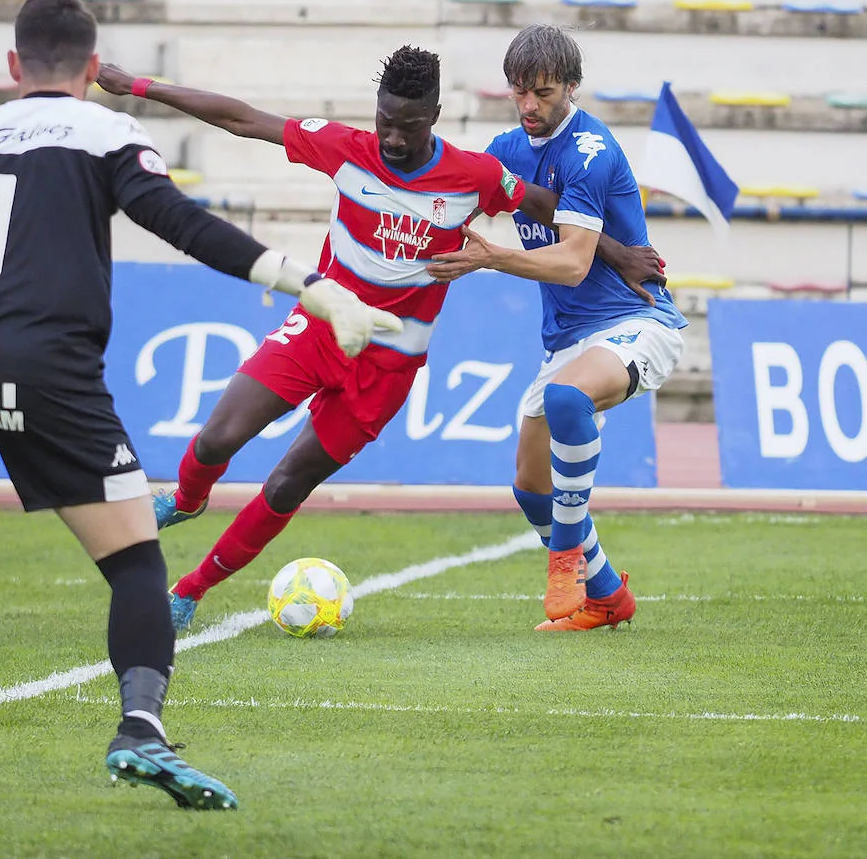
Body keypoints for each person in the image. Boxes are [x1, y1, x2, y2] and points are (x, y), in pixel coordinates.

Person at [0, 0, 400, 808]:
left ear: (13, 66)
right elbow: (183, 224)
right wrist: (310, 286)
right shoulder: (105, 131)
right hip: (46, 367)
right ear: (89, 65)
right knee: (137, 562)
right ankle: (141, 729)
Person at [96, 48, 659, 633]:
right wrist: (138, 85)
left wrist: (615, 254)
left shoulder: (475, 176)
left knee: (288, 481)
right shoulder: (347, 149)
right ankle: (188, 498)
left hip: (388, 367)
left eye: (408, 127)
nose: (391, 138)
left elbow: (547, 206)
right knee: (218, 437)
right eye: (383, 121)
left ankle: (190, 591)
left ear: (434, 116)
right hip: (320, 329)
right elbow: (244, 118)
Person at [428, 24, 687, 631]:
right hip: (568, 339)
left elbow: (571, 263)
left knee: (569, 399)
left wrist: (490, 257)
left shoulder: (591, 150)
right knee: (529, 485)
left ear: (571, 86)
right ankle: (606, 597)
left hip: (637, 319)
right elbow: (468, 192)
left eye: (541, 93)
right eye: (519, 92)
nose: (528, 106)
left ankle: (565, 562)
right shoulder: (511, 145)